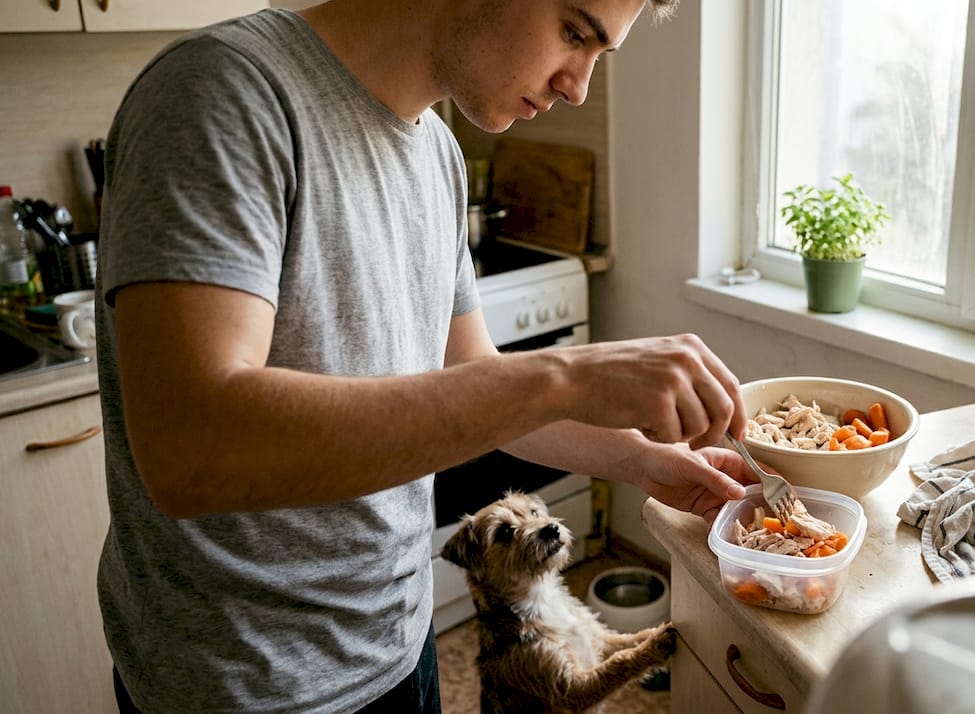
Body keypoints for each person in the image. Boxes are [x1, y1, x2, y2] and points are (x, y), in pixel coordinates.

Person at [94, 0, 756, 712]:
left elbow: (472, 381)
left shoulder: (438, 154)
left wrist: (645, 463)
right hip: (248, 687)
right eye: (573, 32)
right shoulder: (223, 94)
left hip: (400, 651)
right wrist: (561, 376)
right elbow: (190, 450)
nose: (578, 87)